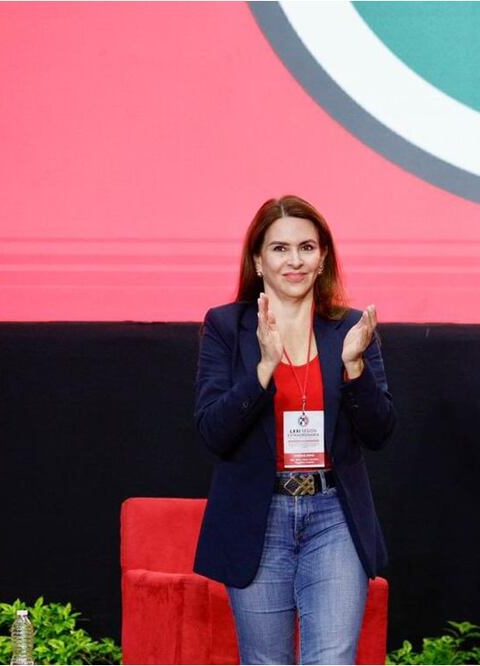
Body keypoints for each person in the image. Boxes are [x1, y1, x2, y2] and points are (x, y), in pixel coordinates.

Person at [192, 195, 396, 664]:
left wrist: (354, 367)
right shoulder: (226, 326)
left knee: (332, 658)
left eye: (307, 247)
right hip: (258, 517)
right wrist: (262, 369)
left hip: (333, 516)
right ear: (257, 260)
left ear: (322, 257)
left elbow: (380, 432)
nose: (295, 260)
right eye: (280, 248)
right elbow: (212, 433)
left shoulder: (349, 328)